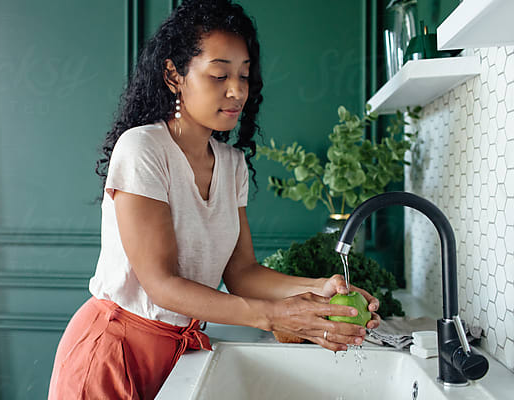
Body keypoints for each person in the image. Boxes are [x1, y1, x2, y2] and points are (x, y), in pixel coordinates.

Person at [48, 0, 381, 398]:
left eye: (244, 75)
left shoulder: (232, 164)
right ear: (174, 75)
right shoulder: (143, 149)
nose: (236, 90)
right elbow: (162, 285)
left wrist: (318, 290)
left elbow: (242, 273)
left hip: (180, 355)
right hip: (113, 354)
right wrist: (277, 316)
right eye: (219, 75)